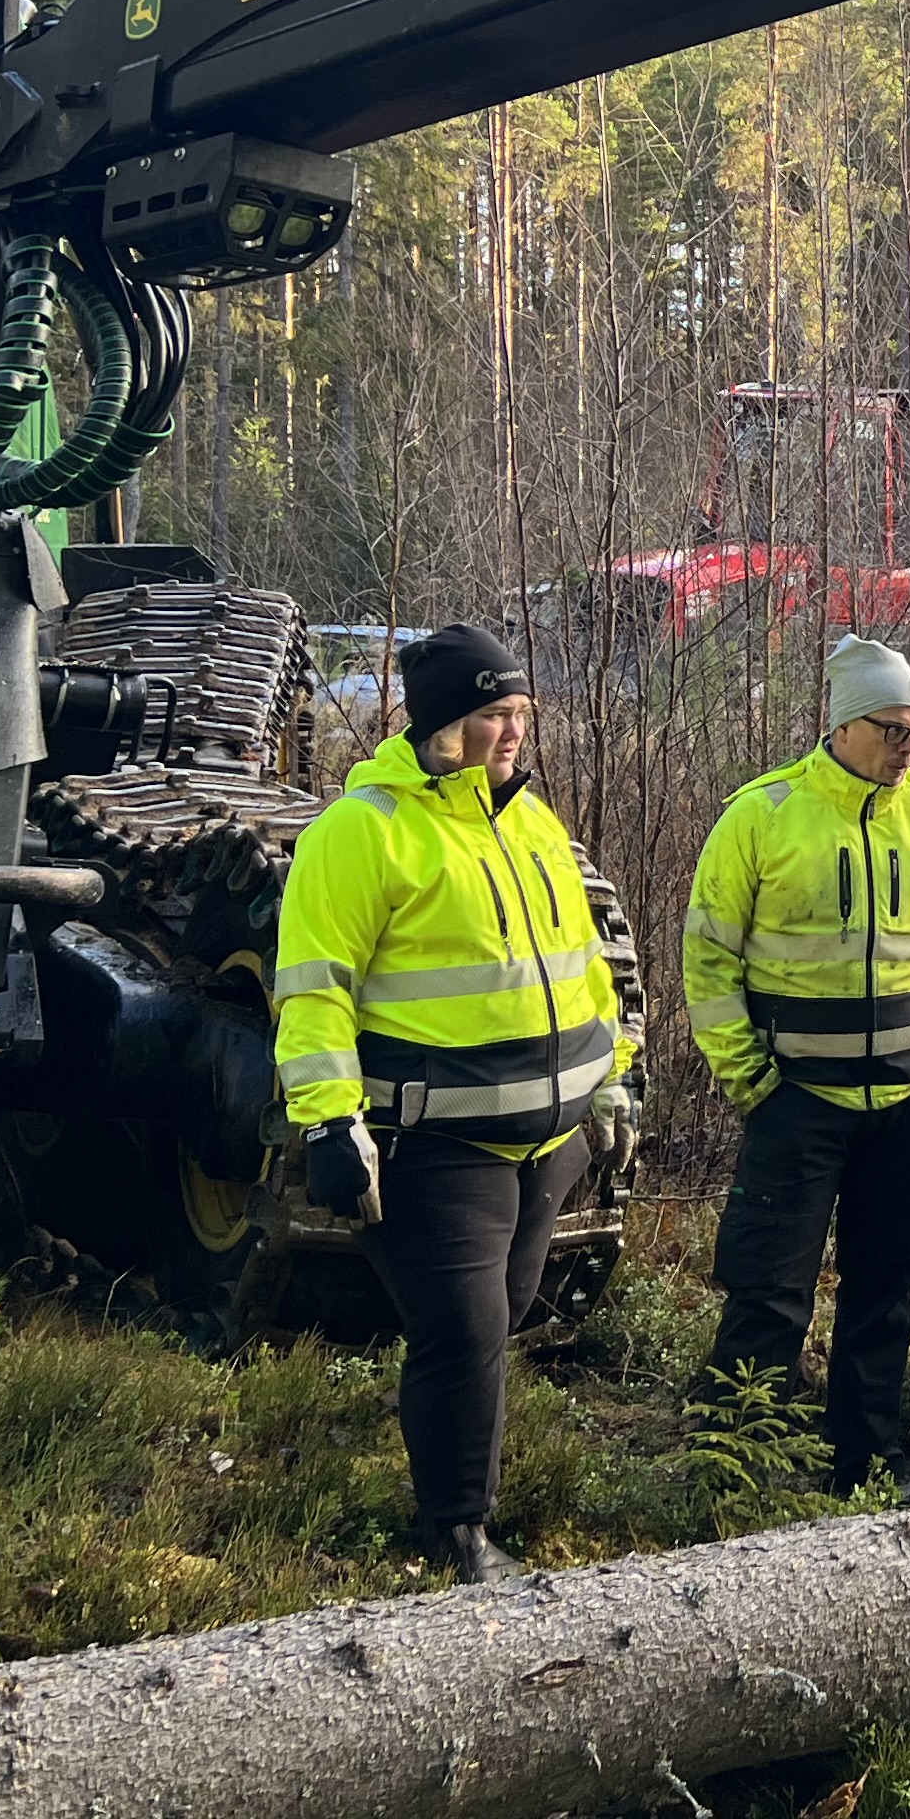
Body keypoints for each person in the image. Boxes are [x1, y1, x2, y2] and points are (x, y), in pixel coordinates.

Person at [275, 625, 637, 1583]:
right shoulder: (364, 832)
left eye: (520, 713)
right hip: (434, 1143)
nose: (512, 732)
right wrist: (328, 1118)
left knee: (504, 1314)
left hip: (548, 1143)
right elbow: (314, 989)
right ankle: (459, 1534)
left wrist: (612, 1075)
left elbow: (587, 969)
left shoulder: (531, 824)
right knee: (464, 1331)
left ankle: (455, 1494)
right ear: (439, 722)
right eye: (492, 715)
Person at [689, 635, 910, 1499]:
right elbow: (708, 961)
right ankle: (731, 1466)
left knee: (886, 1288)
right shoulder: (761, 816)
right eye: (893, 729)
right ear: (842, 726)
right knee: (767, 1288)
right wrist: (752, 1080)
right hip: (796, 1103)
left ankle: (866, 1464)